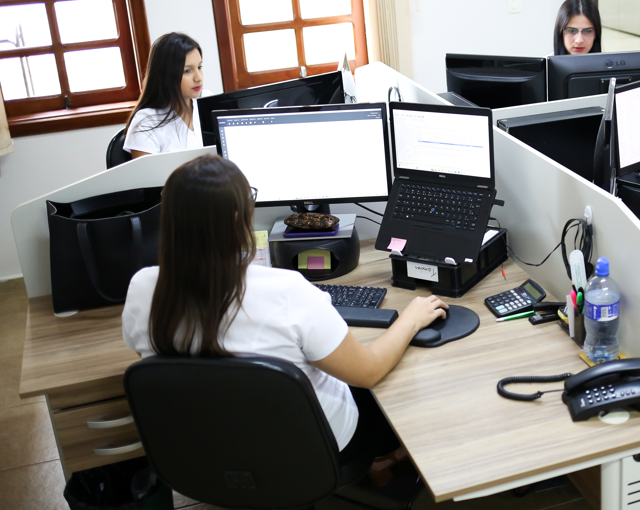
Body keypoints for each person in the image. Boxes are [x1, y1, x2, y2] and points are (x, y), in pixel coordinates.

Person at [122, 154, 448, 455]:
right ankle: (382, 462)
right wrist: (410, 319)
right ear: (237, 218)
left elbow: (171, 369)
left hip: (205, 450)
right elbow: (368, 371)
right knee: (386, 389)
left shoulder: (142, 287)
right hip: (304, 453)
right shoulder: (287, 291)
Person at [123, 33, 212, 158]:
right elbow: (146, 171)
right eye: (187, 71)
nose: (198, 78)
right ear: (166, 74)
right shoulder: (146, 122)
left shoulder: (207, 99)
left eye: (199, 67)